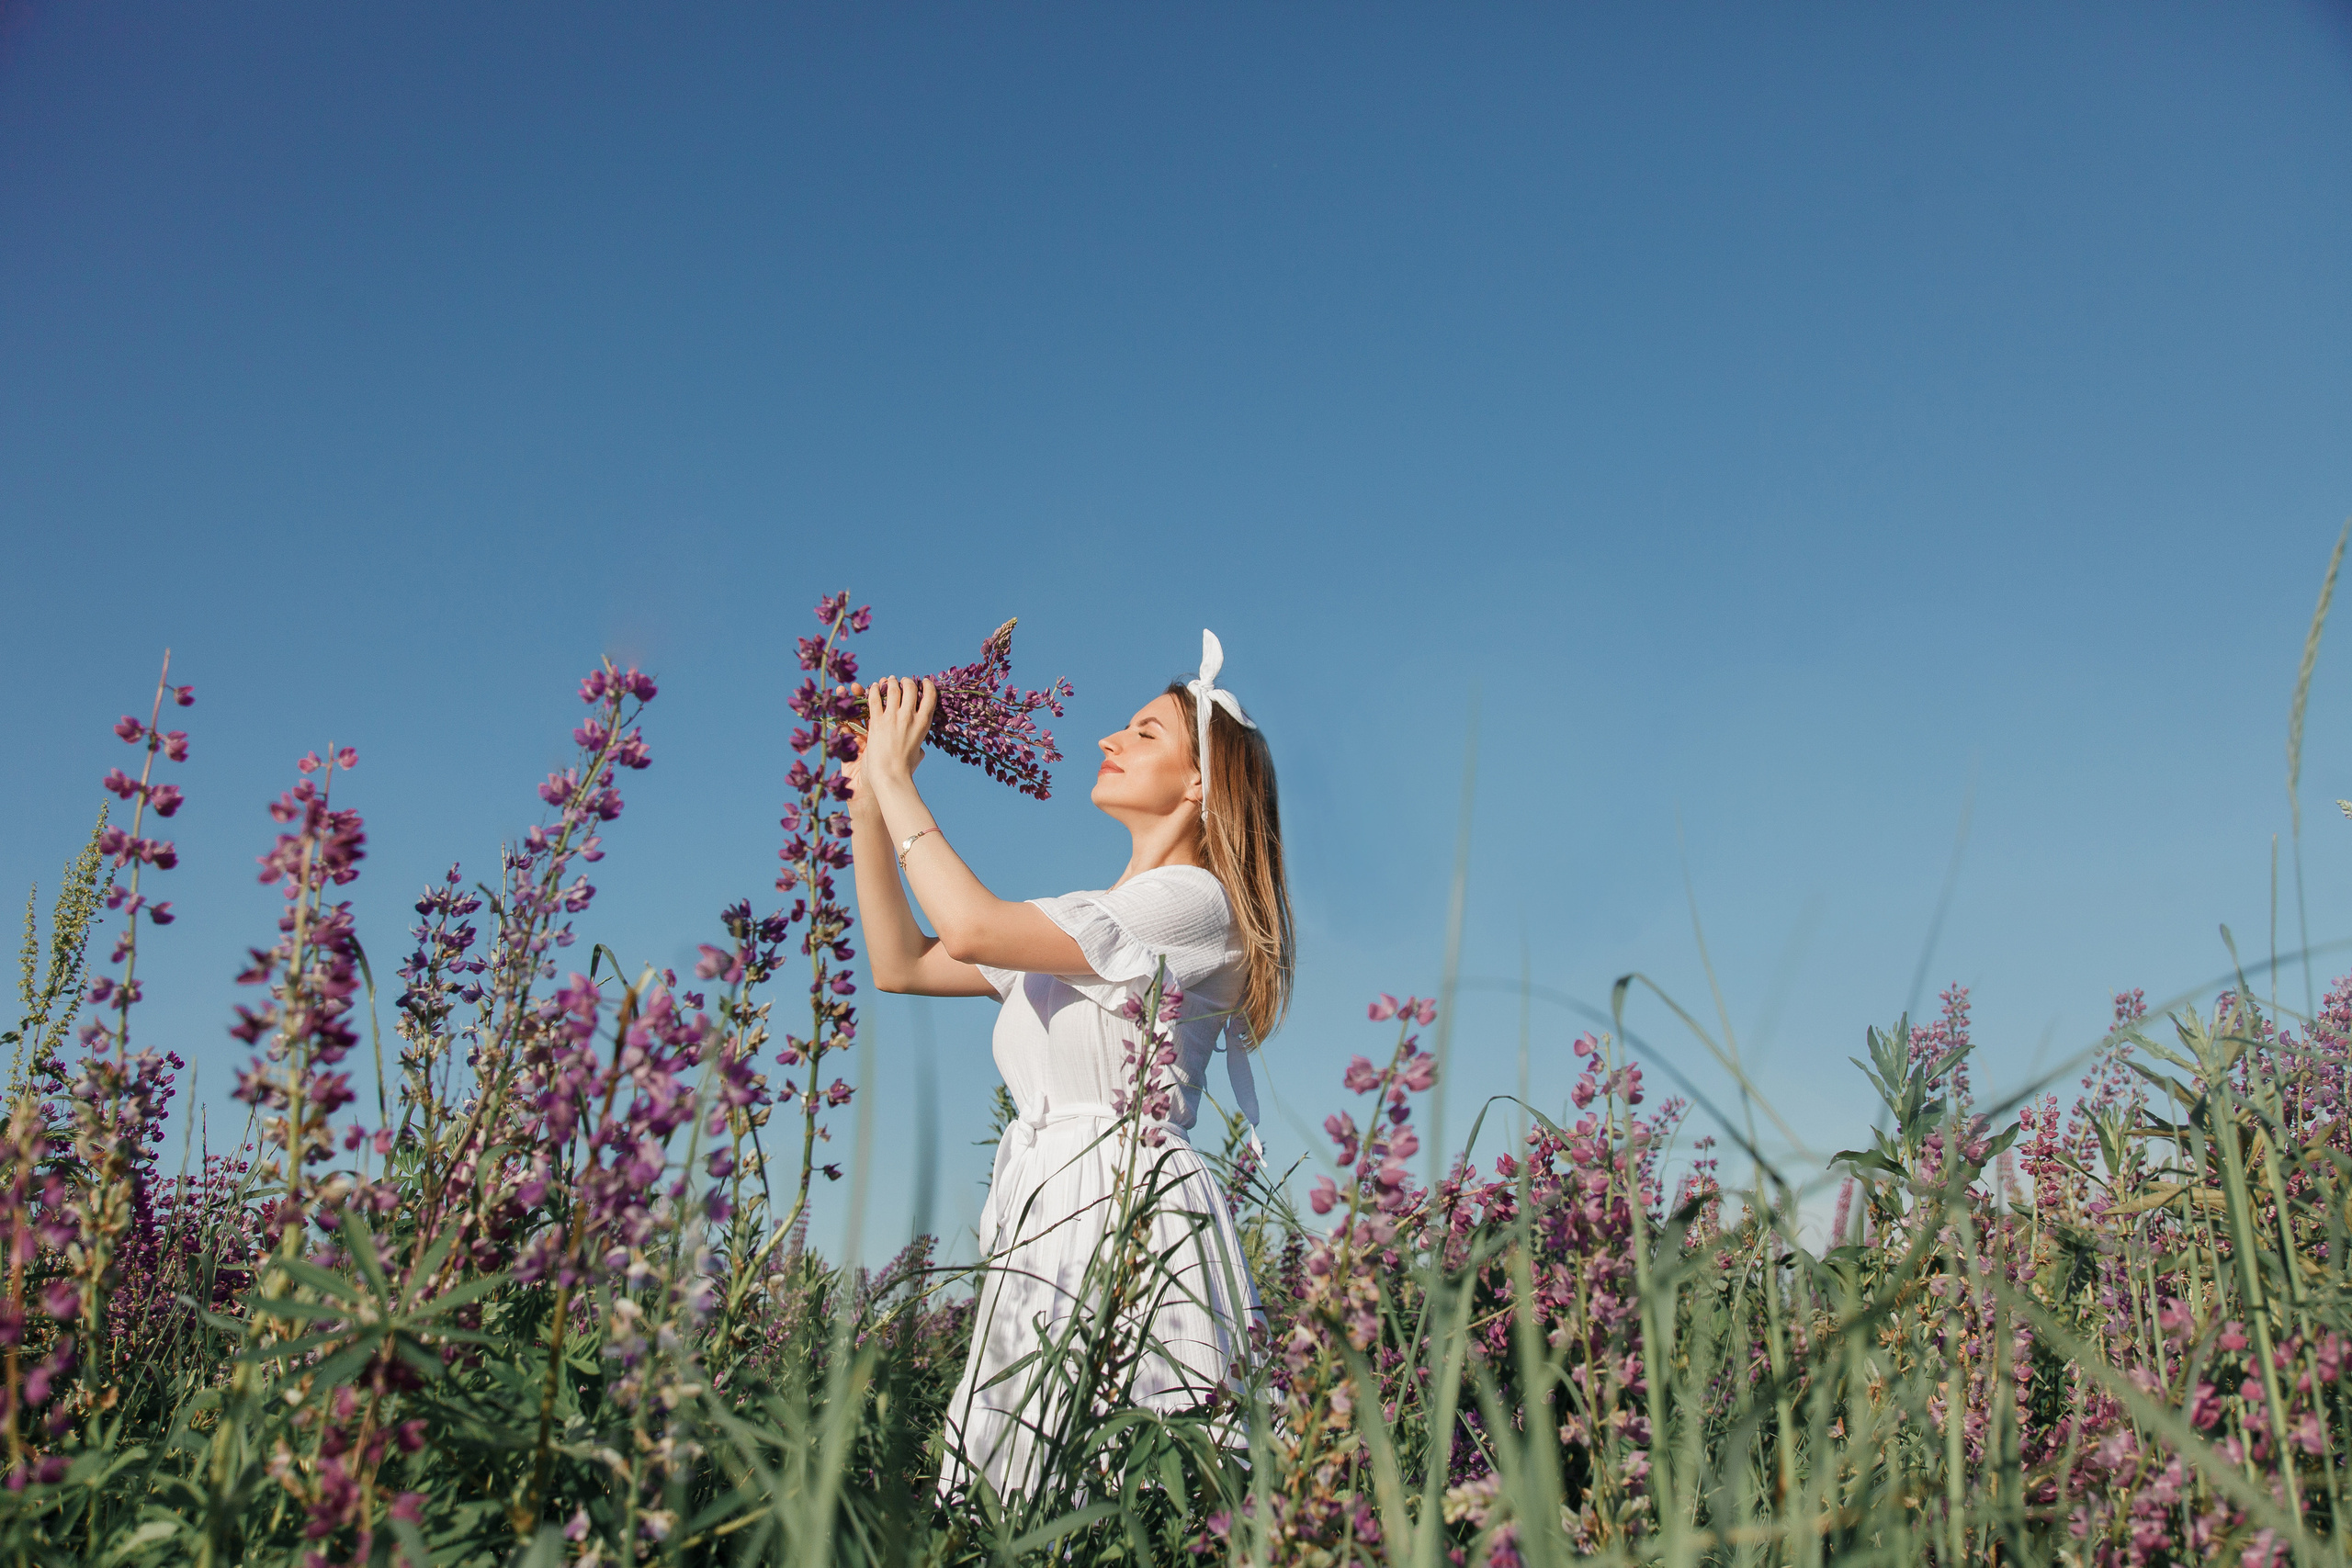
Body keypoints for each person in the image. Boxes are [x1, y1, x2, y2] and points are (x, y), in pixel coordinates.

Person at [844, 631, 1295, 1503]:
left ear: (1199, 783)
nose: (1108, 739)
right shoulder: (1092, 919)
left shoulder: (1195, 904)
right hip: (1048, 1204)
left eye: (1145, 732)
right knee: (1020, 1493)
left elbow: (968, 927)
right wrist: (870, 797)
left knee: (1128, 1489)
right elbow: (902, 962)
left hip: (1127, 1204)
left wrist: (900, 780)